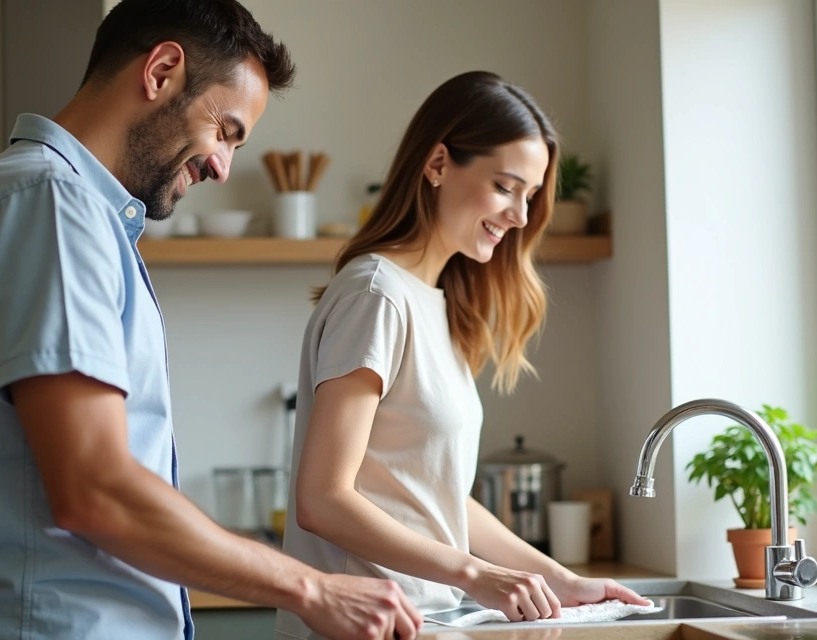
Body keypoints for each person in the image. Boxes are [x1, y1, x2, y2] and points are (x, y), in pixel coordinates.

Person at [0, 1, 422, 638]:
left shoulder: (75, 215)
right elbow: (94, 487)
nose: (222, 166)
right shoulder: (50, 207)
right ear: (162, 71)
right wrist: (309, 586)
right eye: (226, 131)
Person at [275, 71, 650, 639]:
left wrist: (557, 579)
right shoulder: (376, 296)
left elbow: (438, 501)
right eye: (506, 186)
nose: (522, 216)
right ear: (438, 164)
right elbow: (323, 499)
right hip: (366, 626)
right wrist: (477, 575)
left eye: (530, 194)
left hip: (428, 621)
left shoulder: (434, 303)